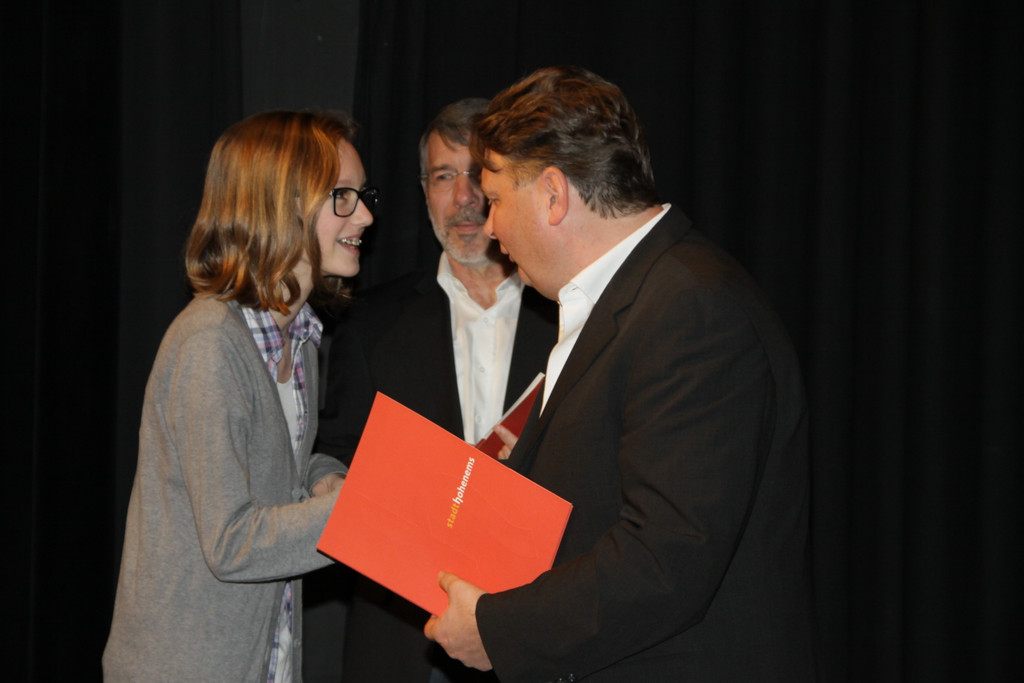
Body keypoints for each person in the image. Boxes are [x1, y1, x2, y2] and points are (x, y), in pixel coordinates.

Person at [424, 66, 817, 682]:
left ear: (553, 195)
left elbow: (666, 558)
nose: (491, 227)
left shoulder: (691, 307)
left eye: (496, 199)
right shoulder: (633, 298)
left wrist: (498, 630)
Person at [103, 110, 379, 681]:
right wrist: (364, 512)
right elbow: (231, 542)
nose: (365, 216)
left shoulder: (299, 338)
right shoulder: (209, 344)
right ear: (280, 205)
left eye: (362, 196)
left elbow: (278, 467)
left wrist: (327, 476)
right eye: (342, 197)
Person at [314, 98, 557, 681]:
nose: (465, 197)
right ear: (424, 192)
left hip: (534, 637)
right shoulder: (370, 323)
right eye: (445, 176)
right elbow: (337, 458)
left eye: (479, 174)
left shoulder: (568, 318)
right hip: (403, 647)